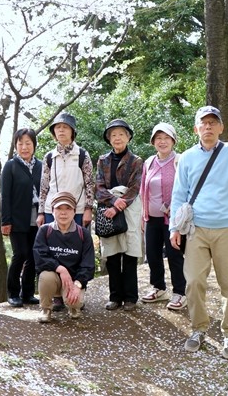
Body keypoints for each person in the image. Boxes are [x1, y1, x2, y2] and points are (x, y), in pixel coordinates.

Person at [169, 106, 228, 360]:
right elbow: (179, 194)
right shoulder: (187, 158)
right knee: (193, 282)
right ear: (196, 128)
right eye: (203, 123)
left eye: (213, 123)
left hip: (226, 227)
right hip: (196, 229)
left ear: (221, 127)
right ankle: (198, 329)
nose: (208, 127)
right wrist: (174, 226)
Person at [37, 112, 94, 311]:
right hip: (52, 209)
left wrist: (88, 208)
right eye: (57, 128)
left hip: (76, 209)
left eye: (65, 127)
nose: (61, 130)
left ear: (72, 131)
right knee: (55, 251)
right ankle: (57, 296)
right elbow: (44, 185)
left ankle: (77, 290)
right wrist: (41, 211)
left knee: (75, 252)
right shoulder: (49, 156)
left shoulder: (82, 155)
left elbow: (89, 183)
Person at [96, 119, 143, 311]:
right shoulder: (102, 160)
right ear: (109, 138)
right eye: (113, 135)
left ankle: (131, 297)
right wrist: (113, 202)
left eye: (121, 134)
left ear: (128, 137)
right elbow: (98, 187)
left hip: (129, 208)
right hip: (108, 206)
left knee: (130, 252)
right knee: (112, 253)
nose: (117, 138)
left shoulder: (136, 161)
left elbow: (135, 187)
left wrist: (118, 205)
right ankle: (115, 296)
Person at [140, 122, 187, 310]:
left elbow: (186, 189)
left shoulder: (180, 160)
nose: (162, 141)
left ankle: (180, 292)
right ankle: (158, 287)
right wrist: (143, 216)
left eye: (166, 138)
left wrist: (175, 209)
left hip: (173, 219)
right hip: (152, 218)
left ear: (173, 140)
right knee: (152, 254)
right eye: (158, 138)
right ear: (153, 142)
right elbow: (144, 189)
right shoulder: (149, 162)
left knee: (175, 255)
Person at [33, 192, 95, 323]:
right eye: (59, 208)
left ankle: (74, 307)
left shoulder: (83, 233)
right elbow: (40, 258)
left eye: (68, 209)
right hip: (53, 278)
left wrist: (78, 284)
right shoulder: (45, 231)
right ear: (53, 211)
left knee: (75, 302)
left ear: (74, 211)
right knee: (45, 276)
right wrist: (60, 269)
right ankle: (46, 309)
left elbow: (88, 265)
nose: (63, 213)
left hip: (73, 281)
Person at [1, 128, 42, 308]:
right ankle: (13, 293)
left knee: (34, 254)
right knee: (20, 253)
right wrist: (6, 221)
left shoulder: (41, 165)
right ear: (15, 145)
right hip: (17, 217)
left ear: (34, 145)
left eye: (28, 143)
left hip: (38, 215)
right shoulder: (10, 166)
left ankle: (28, 293)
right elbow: (6, 195)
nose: (24, 147)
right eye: (20, 144)